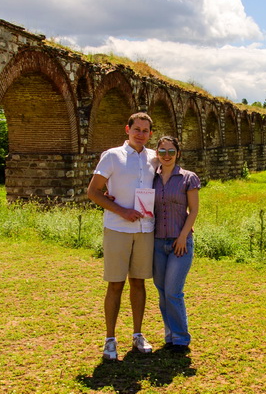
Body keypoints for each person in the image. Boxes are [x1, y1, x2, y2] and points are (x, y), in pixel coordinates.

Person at [87, 112, 158, 361]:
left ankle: (138, 334)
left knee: (139, 282)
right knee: (115, 284)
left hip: (145, 229)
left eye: (145, 130)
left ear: (151, 134)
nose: (140, 134)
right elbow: (93, 192)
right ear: (127, 129)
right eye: (136, 129)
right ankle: (110, 339)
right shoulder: (112, 156)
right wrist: (121, 210)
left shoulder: (154, 158)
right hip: (118, 228)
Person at [152, 135, 200, 354]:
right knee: (163, 292)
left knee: (173, 291)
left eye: (171, 151)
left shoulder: (188, 178)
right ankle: (170, 335)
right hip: (157, 242)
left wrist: (182, 237)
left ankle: (181, 338)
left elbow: (194, 210)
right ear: (157, 154)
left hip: (180, 243)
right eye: (162, 151)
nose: (167, 156)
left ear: (178, 153)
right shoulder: (151, 178)